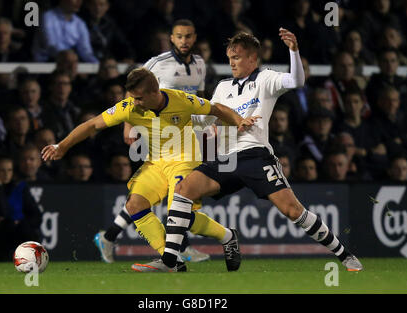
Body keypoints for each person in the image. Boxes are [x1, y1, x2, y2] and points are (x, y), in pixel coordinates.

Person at [134, 29, 363, 272]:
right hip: (225, 159)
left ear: (253, 59)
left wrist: (293, 51)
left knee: (292, 210)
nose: (232, 62)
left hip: (254, 155)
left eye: (238, 57)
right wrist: (183, 117)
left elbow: (296, 81)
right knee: (182, 190)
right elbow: (207, 121)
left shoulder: (265, 80)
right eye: (230, 57)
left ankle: (345, 255)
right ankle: (171, 261)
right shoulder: (222, 87)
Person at [41, 67, 257, 272]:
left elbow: (216, 108)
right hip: (156, 164)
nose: (135, 102)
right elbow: (92, 125)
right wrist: (62, 146)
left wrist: (239, 120)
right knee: (135, 205)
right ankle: (172, 259)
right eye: (133, 97)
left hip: (185, 161)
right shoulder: (129, 107)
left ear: (156, 92)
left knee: (179, 215)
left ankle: (226, 236)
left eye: (140, 98)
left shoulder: (181, 100)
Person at [110, 19, 211, 264]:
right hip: (156, 128)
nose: (184, 41)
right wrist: (128, 125)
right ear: (171, 38)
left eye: (188, 36)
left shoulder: (200, 64)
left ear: (194, 37)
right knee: (172, 188)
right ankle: (181, 248)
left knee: (172, 189)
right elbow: (133, 88)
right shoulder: (157, 63)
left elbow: (198, 97)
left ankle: (110, 235)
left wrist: (207, 125)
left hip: (184, 130)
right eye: (179, 36)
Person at [32, 0, 98, 63]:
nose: (79, 1)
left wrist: (97, 64)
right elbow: (51, 46)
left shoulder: (80, 23)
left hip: (71, 63)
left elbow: (86, 51)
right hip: (45, 65)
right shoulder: (47, 17)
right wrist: (72, 59)